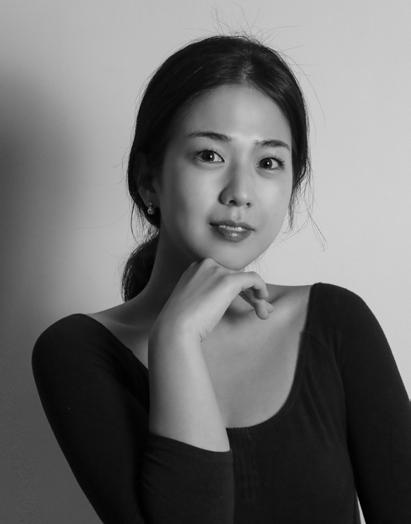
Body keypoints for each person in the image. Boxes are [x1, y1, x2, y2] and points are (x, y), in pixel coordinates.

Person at [31, 34, 411, 524]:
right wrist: (177, 338)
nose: (240, 192)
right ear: (148, 178)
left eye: (268, 162)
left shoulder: (336, 324)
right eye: (210, 155)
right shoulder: (78, 352)